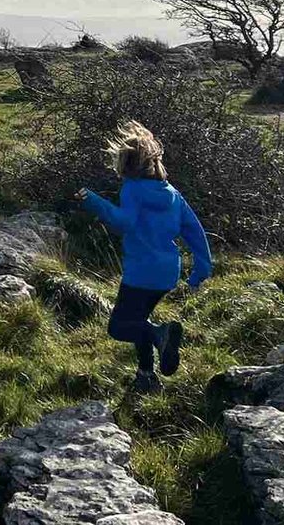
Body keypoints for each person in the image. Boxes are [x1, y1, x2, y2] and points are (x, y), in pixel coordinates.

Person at [75, 121, 213, 393]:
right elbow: (194, 231)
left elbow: (124, 222)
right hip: (167, 273)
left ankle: (160, 334)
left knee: (119, 327)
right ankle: (146, 375)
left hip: (141, 272)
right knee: (139, 319)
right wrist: (201, 269)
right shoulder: (172, 193)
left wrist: (93, 201)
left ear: (126, 163)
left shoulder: (133, 189)